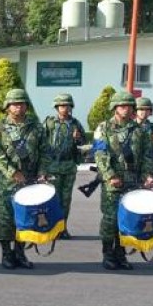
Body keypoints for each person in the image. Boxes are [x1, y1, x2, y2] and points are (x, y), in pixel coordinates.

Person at [93, 91, 153, 270]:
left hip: (133, 182)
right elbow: (100, 154)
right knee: (111, 219)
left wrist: (149, 176)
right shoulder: (103, 128)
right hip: (113, 182)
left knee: (127, 220)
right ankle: (107, 253)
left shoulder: (140, 130)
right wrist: (110, 176)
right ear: (114, 108)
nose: (126, 109)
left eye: (129, 106)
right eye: (122, 106)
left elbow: (147, 157)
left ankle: (121, 254)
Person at [0, 88, 50, 270]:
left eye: (22, 104)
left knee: (25, 218)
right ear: (7, 107)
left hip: (31, 181)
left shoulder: (37, 127)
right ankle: (6, 253)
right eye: (15, 104)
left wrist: (42, 172)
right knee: (7, 219)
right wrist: (12, 172)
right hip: (8, 182)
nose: (18, 107)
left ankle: (20, 252)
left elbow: (45, 152)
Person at [44, 93, 86, 238]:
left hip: (68, 166)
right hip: (53, 166)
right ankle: (52, 228)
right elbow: (41, 143)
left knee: (66, 199)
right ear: (56, 107)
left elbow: (83, 143)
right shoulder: (49, 123)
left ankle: (63, 228)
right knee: (53, 198)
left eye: (67, 105)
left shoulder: (75, 123)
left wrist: (78, 138)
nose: (65, 108)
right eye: (62, 106)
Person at [135, 97, 153, 190]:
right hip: (132, 171)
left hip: (150, 170)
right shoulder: (129, 127)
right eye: (141, 109)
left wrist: (151, 174)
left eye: (147, 109)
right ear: (136, 110)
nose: (144, 112)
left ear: (150, 112)